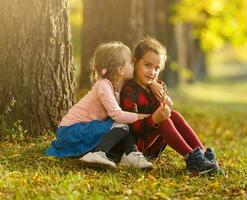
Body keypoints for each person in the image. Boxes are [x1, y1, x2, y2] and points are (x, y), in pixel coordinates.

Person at [120, 36, 221, 175]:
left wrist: (164, 104)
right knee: (164, 120)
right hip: (136, 148)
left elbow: (164, 111)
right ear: (135, 62)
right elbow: (130, 127)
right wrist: (155, 119)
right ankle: (191, 159)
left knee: (174, 115)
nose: (152, 72)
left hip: (153, 142)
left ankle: (202, 155)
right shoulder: (129, 91)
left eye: (157, 68)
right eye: (147, 65)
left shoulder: (157, 87)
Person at [45, 41, 153, 169]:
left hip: (86, 128)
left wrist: (153, 84)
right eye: (130, 62)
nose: (134, 64)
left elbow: (142, 79)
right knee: (122, 123)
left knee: (124, 123)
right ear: (120, 70)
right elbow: (117, 115)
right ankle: (98, 153)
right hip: (71, 131)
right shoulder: (103, 85)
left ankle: (130, 153)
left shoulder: (119, 87)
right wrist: (145, 117)